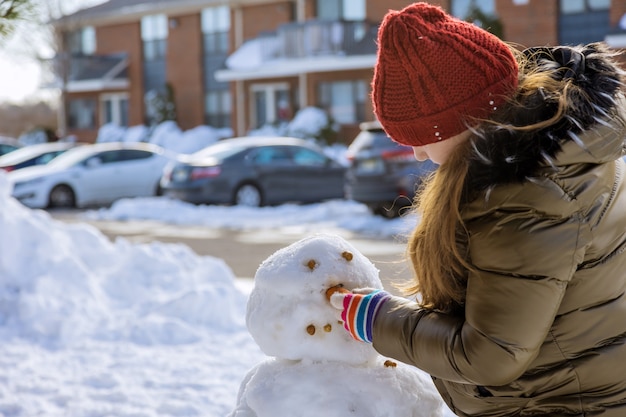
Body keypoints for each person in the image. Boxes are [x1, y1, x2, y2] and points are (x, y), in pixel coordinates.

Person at [327, 2, 626, 416]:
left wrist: (374, 317)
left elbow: (489, 355)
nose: (416, 153)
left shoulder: (524, 201)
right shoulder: (565, 151)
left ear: (463, 122)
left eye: (420, 136)